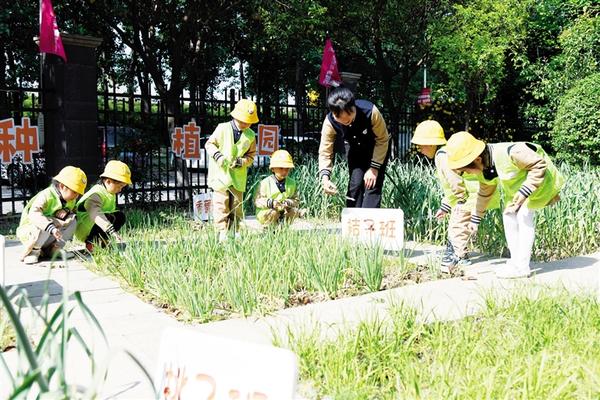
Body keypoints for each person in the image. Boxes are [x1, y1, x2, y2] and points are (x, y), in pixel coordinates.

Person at [446, 131, 564, 279]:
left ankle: (522, 267)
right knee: (508, 216)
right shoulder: (484, 167)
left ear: (477, 159)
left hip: (539, 184)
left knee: (524, 216)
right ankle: (515, 262)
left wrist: (525, 191)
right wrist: (475, 220)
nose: (466, 173)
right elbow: (484, 193)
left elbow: (539, 165)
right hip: (517, 192)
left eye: (465, 170)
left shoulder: (513, 152)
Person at [411, 121, 500, 273]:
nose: (420, 150)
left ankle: (459, 257)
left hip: (468, 196)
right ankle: (459, 254)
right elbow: (451, 185)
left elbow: (454, 180)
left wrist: (460, 199)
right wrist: (446, 206)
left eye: (421, 145)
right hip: (469, 195)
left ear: (430, 144)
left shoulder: (442, 156)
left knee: (457, 227)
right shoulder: (446, 152)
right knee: (458, 226)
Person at [318, 87, 390, 208]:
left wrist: (374, 168)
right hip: (354, 149)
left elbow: (382, 139)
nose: (345, 121)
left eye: (349, 116)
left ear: (354, 107)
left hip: (377, 148)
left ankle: (369, 218)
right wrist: (325, 178)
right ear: (333, 113)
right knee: (355, 185)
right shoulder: (329, 122)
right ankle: (352, 218)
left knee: (372, 185)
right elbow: (325, 151)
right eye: (340, 118)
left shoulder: (371, 112)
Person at [205, 99, 258, 240]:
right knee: (221, 204)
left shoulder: (251, 135)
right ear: (235, 116)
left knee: (236, 205)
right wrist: (218, 156)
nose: (246, 124)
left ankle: (236, 230)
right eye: (243, 121)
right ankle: (222, 232)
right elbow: (209, 144)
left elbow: (251, 155)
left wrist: (242, 162)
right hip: (220, 175)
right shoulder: (222, 128)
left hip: (238, 177)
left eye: (249, 122)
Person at [17, 166, 87, 264]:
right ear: (62, 186)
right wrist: (51, 228)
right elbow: (34, 214)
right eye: (74, 192)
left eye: (78, 193)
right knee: (44, 223)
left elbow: (71, 212)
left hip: (51, 234)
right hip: (32, 233)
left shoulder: (70, 199)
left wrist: (67, 211)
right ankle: (33, 251)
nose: (76, 196)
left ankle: (54, 249)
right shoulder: (46, 195)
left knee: (73, 221)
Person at [75, 160, 131, 251]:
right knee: (109, 217)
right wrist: (111, 231)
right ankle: (91, 242)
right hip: (84, 227)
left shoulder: (109, 192)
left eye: (122, 187)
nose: (120, 190)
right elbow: (96, 215)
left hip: (94, 224)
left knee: (120, 216)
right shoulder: (96, 193)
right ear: (108, 181)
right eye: (119, 186)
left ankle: (101, 240)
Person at [254, 150, 300, 227]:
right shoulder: (265, 183)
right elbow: (257, 201)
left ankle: (284, 228)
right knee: (273, 213)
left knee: (293, 211)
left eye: (287, 169)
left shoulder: (292, 183)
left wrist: (289, 202)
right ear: (273, 169)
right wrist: (271, 203)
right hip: (267, 211)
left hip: (284, 210)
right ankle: (268, 229)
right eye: (281, 168)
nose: (284, 171)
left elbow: (296, 200)